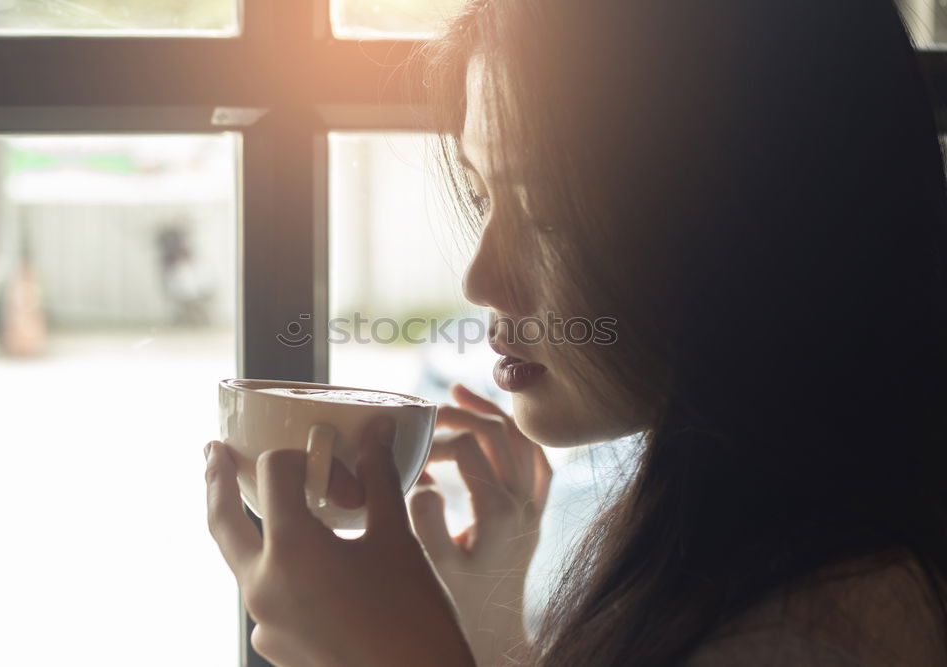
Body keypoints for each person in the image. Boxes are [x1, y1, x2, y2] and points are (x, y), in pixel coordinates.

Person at [203, 1, 947, 665]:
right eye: (480, 192)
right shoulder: (736, 545)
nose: (480, 280)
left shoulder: (821, 628)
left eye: (550, 212)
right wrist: (490, 645)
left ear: (757, 221)